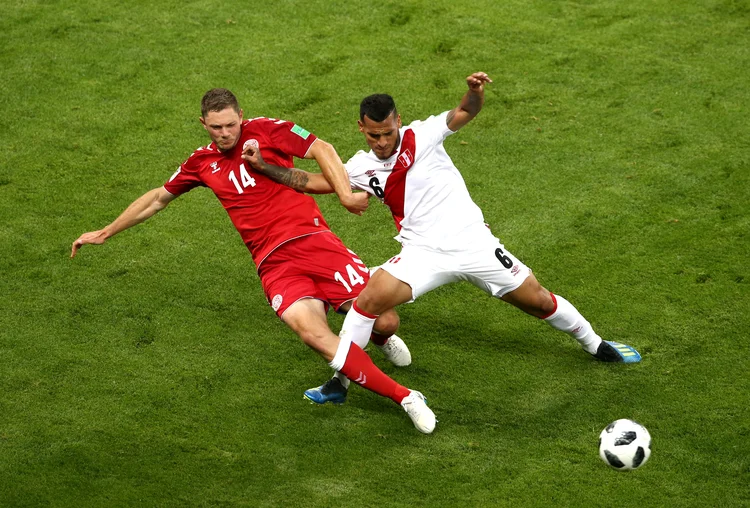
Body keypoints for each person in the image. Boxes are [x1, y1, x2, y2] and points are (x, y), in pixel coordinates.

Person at [240, 72, 642, 424]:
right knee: (367, 302)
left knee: (537, 301)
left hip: (474, 245)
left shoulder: (424, 134)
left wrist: (475, 92)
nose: (382, 142)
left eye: (387, 132)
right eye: (373, 135)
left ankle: (596, 344)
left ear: (398, 121)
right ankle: (340, 381)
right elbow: (312, 181)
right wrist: (264, 168)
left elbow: (464, 112)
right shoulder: (361, 166)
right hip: (422, 253)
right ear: (361, 129)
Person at [71, 88, 436, 434]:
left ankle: (379, 337)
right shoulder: (201, 162)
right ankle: (405, 396)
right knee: (312, 333)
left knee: (386, 320)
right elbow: (156, 199)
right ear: (203, 124)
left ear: (241, 116)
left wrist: (342, 193)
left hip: (315, 242)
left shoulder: (266, 130)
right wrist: (106, 231)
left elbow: (321, 148)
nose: (226, 133)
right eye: (217, 127)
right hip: (273, 264)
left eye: (231, 124)